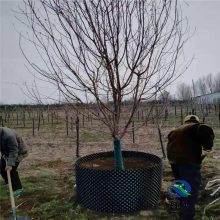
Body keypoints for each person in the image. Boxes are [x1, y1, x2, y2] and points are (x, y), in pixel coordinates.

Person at [167, 115, 215, 220]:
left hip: (174, 162)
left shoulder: (176, 130)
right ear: (195, 122)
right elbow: (204, 129)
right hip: (188, 164)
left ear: (185, 122)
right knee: (190, 192)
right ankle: (187, 216)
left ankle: (182, 210)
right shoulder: (195, 127)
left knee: (181, 186)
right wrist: (208, 147)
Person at [0, 127, 28, 198]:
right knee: (1, 168)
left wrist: (10, 164)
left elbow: (13, 151)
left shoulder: (9, 136)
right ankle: (8, 182)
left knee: (12, 171)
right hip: (6, 153)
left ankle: (18, 188)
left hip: (18, 152)